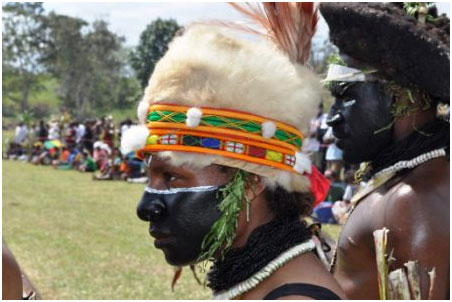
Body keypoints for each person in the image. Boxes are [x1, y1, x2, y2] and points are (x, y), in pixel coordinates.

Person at [121, 3, 344, 300]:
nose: (145, 207)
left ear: (251, 182)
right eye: (150, 177)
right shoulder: (261, 280)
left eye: (172, 177)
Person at [320, 2, 449, 299]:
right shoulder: (405, 182)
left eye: (345, 96)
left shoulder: (413, 200)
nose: (332, 117)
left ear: (397, 99)